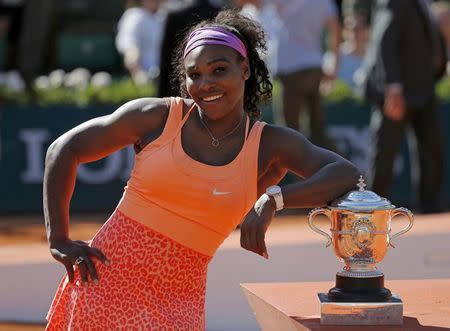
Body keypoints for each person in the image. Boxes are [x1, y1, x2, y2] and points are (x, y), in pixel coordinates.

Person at [44, 10, 359, 330]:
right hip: (104, 290)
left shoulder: (269, 144)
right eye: (195, 74)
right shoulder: (157, 117)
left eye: (219, 70)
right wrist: (58, 239)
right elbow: (63, 149)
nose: (206, 83)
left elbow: (347, 174)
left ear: (245, 69)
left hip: (179, 305)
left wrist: (273, 199)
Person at [357, 0, 447, 213]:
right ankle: (374, 208)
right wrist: (393, 87)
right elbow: (384, 41)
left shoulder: (425, 4)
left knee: (432, 150)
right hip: (397, 92)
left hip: (424, 89)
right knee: (385, 152)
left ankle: (430, 207)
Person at [271, 0, 341, 151]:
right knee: (317, 132)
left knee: (289, 133)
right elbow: (336, 32)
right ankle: (344, 171)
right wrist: (334, 68)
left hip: (292, 71)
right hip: (314, 68)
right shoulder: (326, 3)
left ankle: (341, 171)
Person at [157, 0, 221, 97]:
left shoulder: (175, 16)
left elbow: (166, 60)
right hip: (218, 85)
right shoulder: (220, 13)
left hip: (182, 87)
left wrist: (162, 96)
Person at [115, 0, 166, 84]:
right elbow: (130, 48)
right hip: (145, 78)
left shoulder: (165, 15)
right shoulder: (134, 16)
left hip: (164, 78)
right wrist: (137, 73)